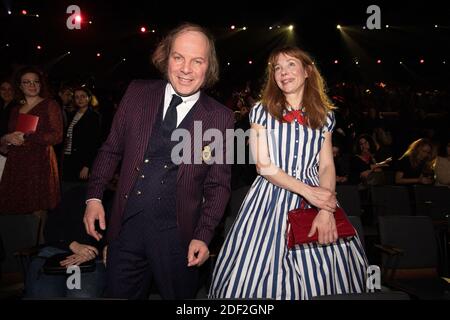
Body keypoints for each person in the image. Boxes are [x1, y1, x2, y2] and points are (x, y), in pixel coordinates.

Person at [83, 23, 234, 299]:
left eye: (197, 61)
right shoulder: (137, 92)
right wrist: (93, 197)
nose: (186, 69)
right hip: (126, 230)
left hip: (179, 240)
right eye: (178, 57)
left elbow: (218, 185)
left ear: (208, 66)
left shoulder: (221, 117)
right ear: (166, 58)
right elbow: (111, 148)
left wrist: (203, 234)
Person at [209, 46, 369, 300]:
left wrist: (326, 209)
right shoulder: (261, 111)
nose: (283, 73)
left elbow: (326, 166)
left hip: (318, 197)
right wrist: (311, 194)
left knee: (328, 275)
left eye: (290, 65)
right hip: (270, 197)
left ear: (307, 71)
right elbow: (263, 166)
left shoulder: (325, 115)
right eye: (277, 68)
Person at [0, 67, 63, 217]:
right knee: (15, 213)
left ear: (40, 85)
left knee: (36, 212)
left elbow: (57, 136)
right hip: (16, 162)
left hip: (39, 162)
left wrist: (28, 136)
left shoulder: (50, 105)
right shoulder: (16, 109)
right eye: (27, 82)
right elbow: (9, 137)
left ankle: (38, 240)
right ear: (20, 86)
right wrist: (7, 138)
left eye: (35, 82)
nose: (32, 85)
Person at [62, 87, 101, 186]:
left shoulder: (94, 116)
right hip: (68, 158)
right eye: (77, 97)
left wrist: (87, 166)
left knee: (78, 193)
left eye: (83, 96)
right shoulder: (72, 114)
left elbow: (94, 143)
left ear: (89, 98)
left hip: (82, 161)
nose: (80, 99)